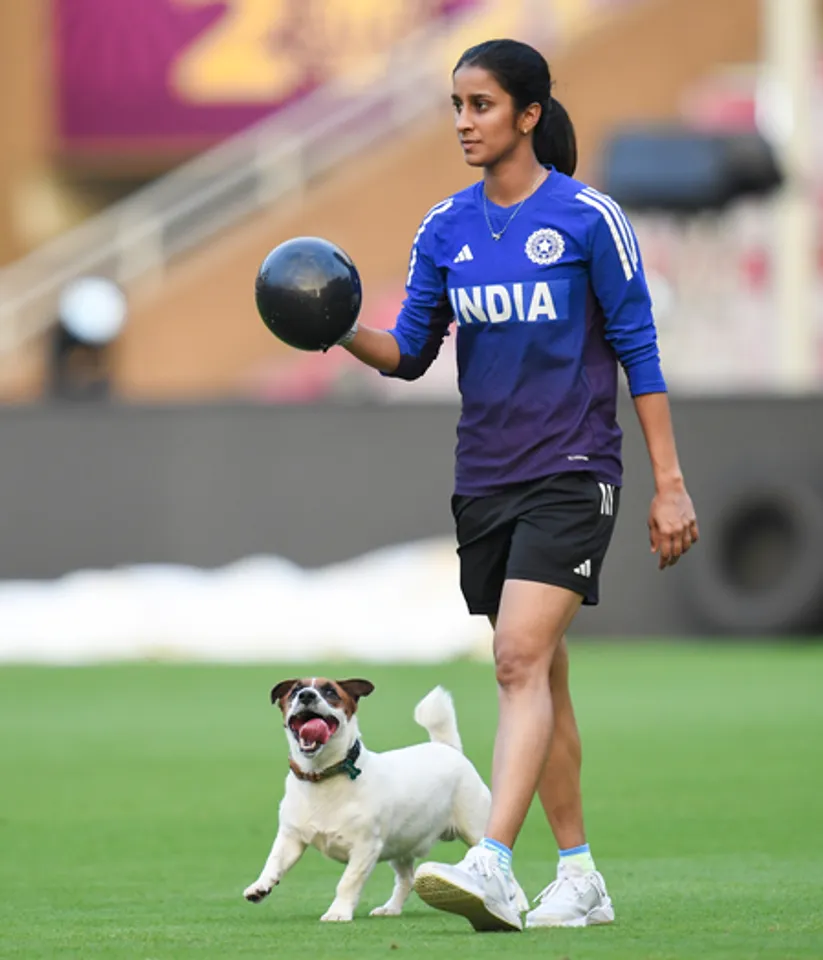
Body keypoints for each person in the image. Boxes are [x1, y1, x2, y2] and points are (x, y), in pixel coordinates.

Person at [332, 38, 699, 932]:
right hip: (484, 481)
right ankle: (579, 878)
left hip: (572, 472)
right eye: (456, 105)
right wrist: (335, 323)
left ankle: (492, 862)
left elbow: (638, 350)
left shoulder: (587, 219)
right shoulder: (444, 228)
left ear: (528, 114)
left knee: (515, 662)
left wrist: (669, 484)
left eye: (482, 105)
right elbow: (409, 354)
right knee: (544, 677)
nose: (463, 121)